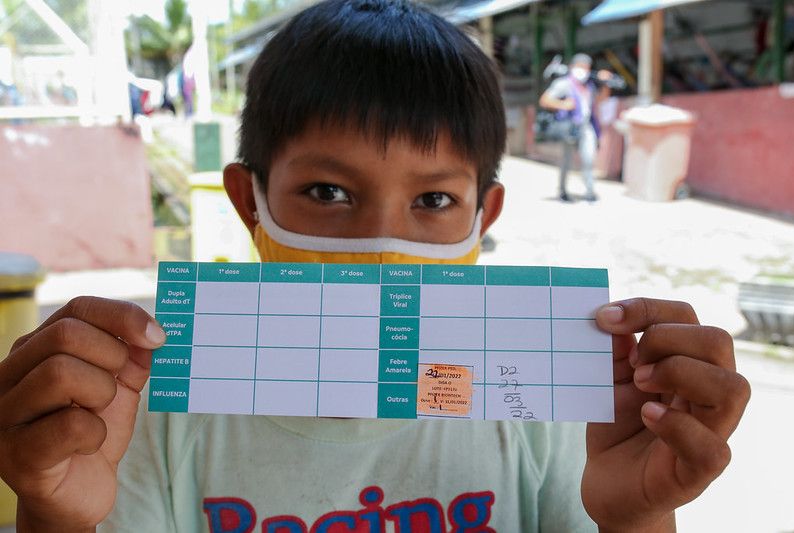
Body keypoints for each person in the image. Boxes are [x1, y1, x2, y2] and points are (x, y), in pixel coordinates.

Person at [1, 1, 750, 531]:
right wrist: (53, 516)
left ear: (481, 220)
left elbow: (620, 504)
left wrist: (640, 518)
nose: (380, 244)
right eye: (327, 192)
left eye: (432, 198)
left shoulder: (543, 408)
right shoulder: (153, 417)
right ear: (249, 203)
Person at [539, 53, 612, 203]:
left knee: (589, 158)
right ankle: (563, 191)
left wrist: (605, 83)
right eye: (580, 67)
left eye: (586, 67)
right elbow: (545, 100)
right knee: (567, 161)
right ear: (572, 67)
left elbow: (601, 99)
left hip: (586, 126)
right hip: (569, 127)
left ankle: (590, 191)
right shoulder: (563, 84)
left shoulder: (589, 85)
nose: (583, 70)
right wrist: (563, 104)